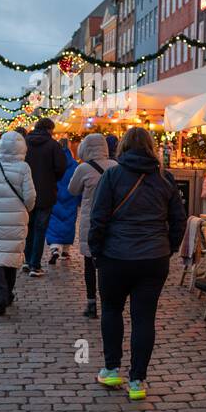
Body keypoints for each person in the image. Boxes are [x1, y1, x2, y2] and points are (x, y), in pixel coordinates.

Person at [88, 126, 187, 401]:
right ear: (151, 148)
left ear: (123, 147)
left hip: (115, 256)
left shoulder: (112, 176)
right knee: (144, 319)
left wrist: (96, 251)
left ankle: (111, 368)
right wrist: (169, 247)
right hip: (153, 258)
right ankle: (138, 381)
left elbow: (99, 218)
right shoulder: (164, 178)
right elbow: (179, 220)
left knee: (111, 310)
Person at [0, 130, 36, 316]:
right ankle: (8, 293)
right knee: (12, 256)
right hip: (17, 218)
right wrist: (26, 209)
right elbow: (30, 196)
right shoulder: (24, 167)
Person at [68, 132, 117, 319]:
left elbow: (72, 190)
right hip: (112, 219)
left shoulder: (84, 168)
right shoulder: (115, 166)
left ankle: (91, 303)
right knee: (108, 262)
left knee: (90, 262)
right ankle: (108, 301)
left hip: (91, 218)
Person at [22, 117, 66, 277]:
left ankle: (27, 261)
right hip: (46, 193)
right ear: (49, 129)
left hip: (26, 192)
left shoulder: (24, 143)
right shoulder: (53, 145)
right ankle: (35, 264)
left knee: (28, 228)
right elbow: (61, 167)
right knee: (40, 229)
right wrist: (52, 178)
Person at [46, 139, 79, 266]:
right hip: (70, 197)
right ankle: (65, 250)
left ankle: (55, 247)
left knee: (54, 221)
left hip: (55, 196)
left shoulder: (52, 163)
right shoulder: (75, 165)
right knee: (69, 223)